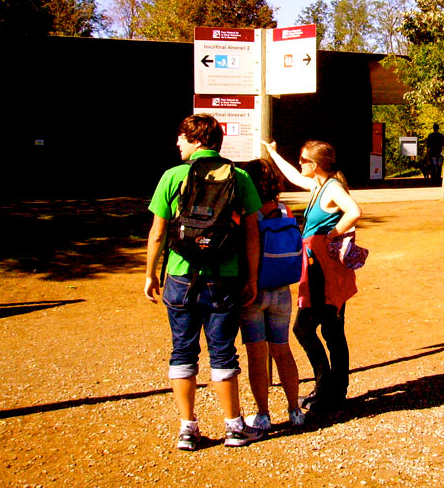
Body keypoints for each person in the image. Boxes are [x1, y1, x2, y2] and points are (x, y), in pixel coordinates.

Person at [144, 114, 264, 451]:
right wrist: (252, 277)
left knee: (182, 350)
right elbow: (252, 234)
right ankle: (234, 427)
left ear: (197, 140)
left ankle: (187, 428)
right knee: (223, 351)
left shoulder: (172, 176)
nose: (177, 143)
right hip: (224, 277)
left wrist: (150, 272)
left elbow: (158, 233)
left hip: (180, 274)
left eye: (182, 138)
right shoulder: (239, 176)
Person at [266, 139, 362, 414]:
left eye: (303, 160)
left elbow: (354, 211)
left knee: (307, 328)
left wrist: (331, 234)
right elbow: (293, 176)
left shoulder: (332, 187)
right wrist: (273, 153)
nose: (300, 164)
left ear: (316, 164)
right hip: (316, 265)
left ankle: (328, 388)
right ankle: (333, 390)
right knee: (330, 330)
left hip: (325, 269)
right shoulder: (318, 184)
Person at [236, 157, 305, 432]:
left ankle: (263, 414)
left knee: (256, 354)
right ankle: (294, 409)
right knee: (282, 350)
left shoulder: (247, 212)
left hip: (253, 290)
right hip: (282, 289)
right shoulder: (285, 211)